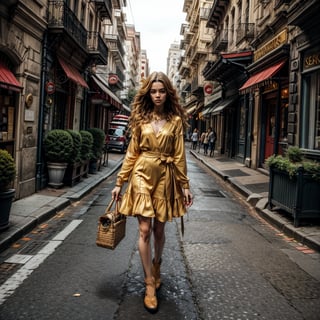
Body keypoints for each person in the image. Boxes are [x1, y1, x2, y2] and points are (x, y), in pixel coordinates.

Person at [111, 71, 193, 313]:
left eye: (161, 91)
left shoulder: (176, 121)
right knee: (144, 229)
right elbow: (132, 153)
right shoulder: (140, 119)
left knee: (159, 229)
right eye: (153, 91)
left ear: (168, 93)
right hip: (141, 174)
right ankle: (149, 283)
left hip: (165, 178)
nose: (157, 95)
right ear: (148, 94)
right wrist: (120, 181)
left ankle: (157, 265)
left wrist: (185, 185)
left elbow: (179, 156)